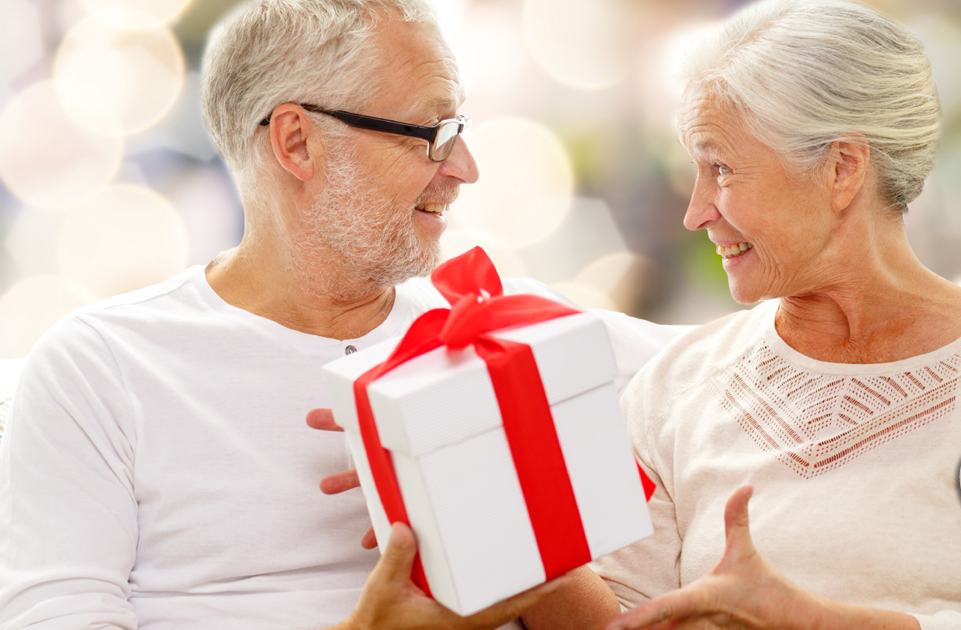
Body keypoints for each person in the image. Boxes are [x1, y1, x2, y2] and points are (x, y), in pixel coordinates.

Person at [0, 1, 678, 628]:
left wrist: (511, 506)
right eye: (434, 133)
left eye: (462, 130)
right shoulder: (102, 366)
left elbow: (743, 364)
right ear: (296, 143)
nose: (466, 168)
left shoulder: (491, 333)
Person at [589, 1, 961, 628]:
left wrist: (809, 621)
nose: (695, 212)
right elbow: (621, 613)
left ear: (841, 169)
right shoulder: (669, 389)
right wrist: (525, 577)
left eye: (720, 168)